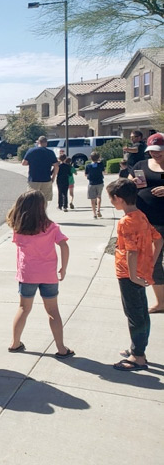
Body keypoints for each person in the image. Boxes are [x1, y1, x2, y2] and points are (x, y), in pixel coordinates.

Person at [6, 191, 74, 358]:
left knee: (23, 308)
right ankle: (61, 348)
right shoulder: (51, 227)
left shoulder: (19, 228)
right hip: (49, 275)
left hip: (27, 275)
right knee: (52, 310)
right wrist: (63, 268)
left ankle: (15, 343)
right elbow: (64, 246)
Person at [106, 178, 163, 371]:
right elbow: (159, 240)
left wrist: (132, 275)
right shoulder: (141, 216)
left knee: (134, 314)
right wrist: (151, 264)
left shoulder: (125, 222)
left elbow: (131, 251)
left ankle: (138, 356)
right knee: (141, 312)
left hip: (128, 275)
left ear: (118, 199)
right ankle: (136, 348)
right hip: (141, 272)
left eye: (111, 199)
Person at [132, 132, 164, 313]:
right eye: (152, 150)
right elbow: (127, 184)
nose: (155, 154)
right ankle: (161, 302)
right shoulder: (141, 165)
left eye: (159, 150)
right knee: (153, 261)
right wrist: (132, 182)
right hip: (147, 222)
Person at [22, 136, 58, 203]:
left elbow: (24, 163)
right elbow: (56, 166)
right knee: (44, 200)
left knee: (32, 199)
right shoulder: (50, 153)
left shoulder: (31, 151)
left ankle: (33, 213)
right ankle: (42, 212)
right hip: (46, 179)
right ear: (46, 143)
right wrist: (53, 178)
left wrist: (32, 163)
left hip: (34, 179)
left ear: (38, 142)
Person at [84, 151, 105, 219]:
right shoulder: (100, 164)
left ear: (91, 158)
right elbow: (103, 172)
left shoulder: (88, 166)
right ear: (98, 158)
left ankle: (94, 213)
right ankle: (98, 210)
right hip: (100, 182)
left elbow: (86, 174)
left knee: (92, 199)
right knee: (99, 196)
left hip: (92, 183)